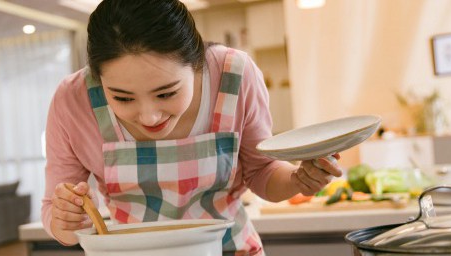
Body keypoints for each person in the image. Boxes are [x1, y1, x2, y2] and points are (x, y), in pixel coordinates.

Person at [42, 0, 342, 255]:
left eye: (166, 93)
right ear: (97, 78)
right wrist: (67, 219)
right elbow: (56, 217)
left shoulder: (233, 75)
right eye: (122, 98)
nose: (149, 117)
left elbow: (262, 173)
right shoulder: (73, 100)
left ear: (198, 63)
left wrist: (299, 179)